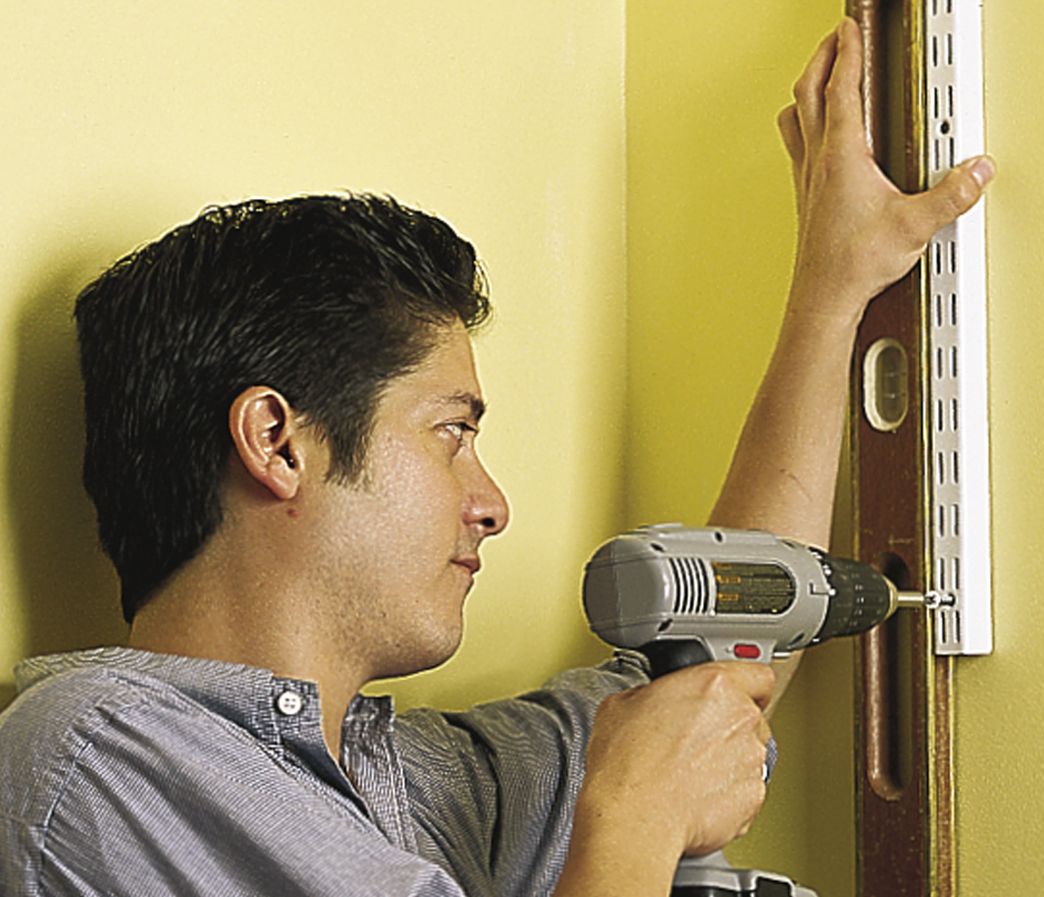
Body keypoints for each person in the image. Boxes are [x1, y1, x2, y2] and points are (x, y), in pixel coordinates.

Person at [0, 18, 993, 897]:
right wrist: (634, 821)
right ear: (276, 442)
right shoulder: (92, 762)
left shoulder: (427, 782)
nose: (490, 504)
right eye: (451, 432)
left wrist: (830, 287)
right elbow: (649, 789)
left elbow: (718, 679)